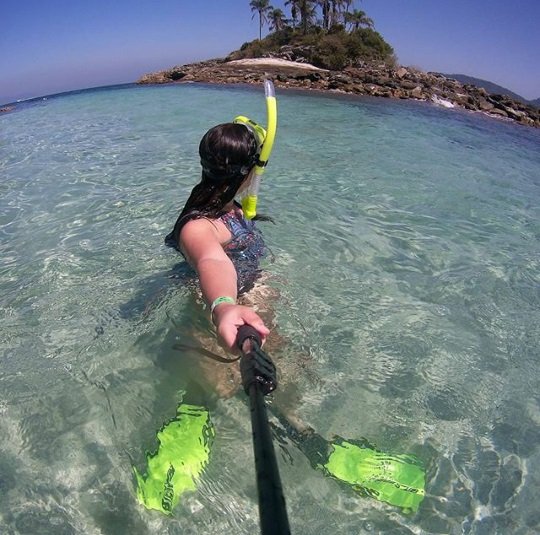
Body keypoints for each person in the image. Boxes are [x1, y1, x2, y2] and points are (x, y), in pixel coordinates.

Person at [164, 121, 271, 354]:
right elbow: (212, 261)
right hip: (215, 312)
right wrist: (224, 307)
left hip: (242, 305)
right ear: (252, 171)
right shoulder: (198, 228)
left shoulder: (234, 209)